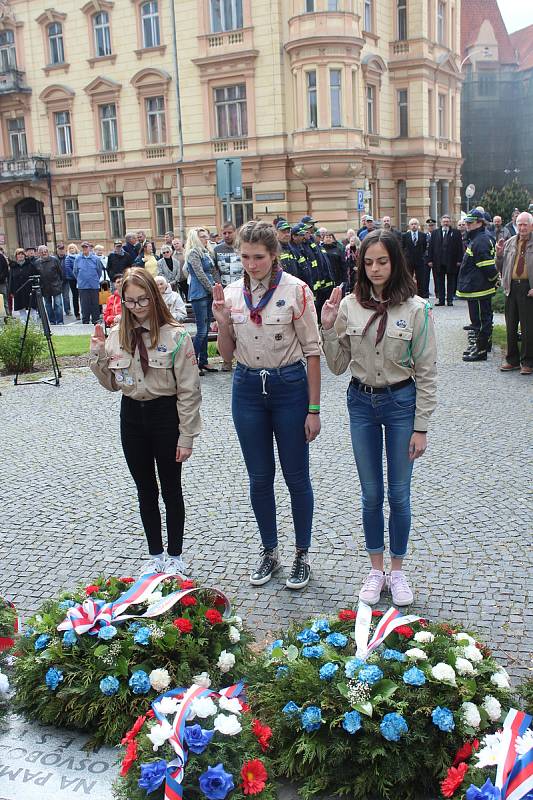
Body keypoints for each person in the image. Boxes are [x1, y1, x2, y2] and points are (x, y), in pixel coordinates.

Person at [321, 229, 437, 606]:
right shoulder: (350, 306)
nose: (375, 269)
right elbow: (338, 366)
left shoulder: (416, 309)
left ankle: (398, 572)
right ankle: (375, 570)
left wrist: (421, 427)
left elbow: (428, 371)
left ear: (395, 263)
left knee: (399, 494)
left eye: (382, 261)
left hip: (401, 402)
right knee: (371, 493)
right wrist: (327, 328)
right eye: (368, 262)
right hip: (361, 403)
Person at [212, 220, 322, 590]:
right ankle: (270, 551)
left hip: (288, 387)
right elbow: (226, 358)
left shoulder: (297, 291)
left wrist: (314, 409)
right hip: (246, 388)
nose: (251, 264)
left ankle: (302, 554)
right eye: (244, 256)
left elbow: (312, 353)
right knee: (259, 478)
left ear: (274, 255)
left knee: (295, 476)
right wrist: (223, 324)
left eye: (258, 257)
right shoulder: (230, 294)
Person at [90, 267, 201, 575]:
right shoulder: (116, 337)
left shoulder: (175, 336)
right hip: (132, 417)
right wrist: (98, 356)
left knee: (171, 488)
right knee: (145, 489)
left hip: (165, 415)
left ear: (154, 297)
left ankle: (176, 556)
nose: (136, 307)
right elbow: (112, 384)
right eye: (130, 301)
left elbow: (189, 390)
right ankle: (155, 555)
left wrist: (186, 435)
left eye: (142, 300)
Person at [456, 209, 498, 362]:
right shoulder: (477, 238)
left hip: (480, 288)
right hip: (476, 288)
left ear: (480, 223)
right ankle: (481, 346)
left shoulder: (480, 240)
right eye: (466, 222)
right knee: (479, 319)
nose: (466, 225)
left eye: (470, 223)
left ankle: (481, 350)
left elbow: (487, 266)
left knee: (481, 320)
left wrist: (495, 279)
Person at [496, 211, 533, 375]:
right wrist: (498, 254)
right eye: (520, 224)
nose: (522, 227)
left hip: (528, 289)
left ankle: (527, 362)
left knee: (528, 327)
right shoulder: (510, 242)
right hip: (511, 288)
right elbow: (500, 266)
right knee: (510, 326)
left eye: (525, 224)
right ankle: (512, 360)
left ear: (531, 226)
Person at [185, 227, 216, 376]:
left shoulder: (206, 252)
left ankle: (203, 361)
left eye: (206, 236)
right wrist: (213, 290)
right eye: (202, 237)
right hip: (199, 294)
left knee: (206, 329)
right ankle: (193, 363)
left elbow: (211, 272)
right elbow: (200, 274)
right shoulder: (193, 253)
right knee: (202, 331)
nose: (206, 239)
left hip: (208, 293)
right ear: (196, 239)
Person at [213, 222, 244, 372]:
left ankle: (243, 356)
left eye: (229, 232)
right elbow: (214, 269)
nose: (227, 235)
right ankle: (226, 360)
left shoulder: (241, 246)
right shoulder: (217, 249)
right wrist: (218, 284)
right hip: (225, 292)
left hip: (241, 292)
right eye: (224, 233)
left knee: (241, 323)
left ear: (235, 232)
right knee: (224, 324)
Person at [427, 215, 464, 306]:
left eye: (447, 221)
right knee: (440, 281)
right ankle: (441, 300)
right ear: (441, 222)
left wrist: (459, 260)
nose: (446, 223)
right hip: (438, 261)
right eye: (444, 221)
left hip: (451, 261)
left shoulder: (456, 233)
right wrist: (430, 260)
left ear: (450, 222)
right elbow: (431, 247)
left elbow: (460, 247)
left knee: (451, 281)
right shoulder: (435, 233)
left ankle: (450, 300)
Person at [74, 241, 103, 325]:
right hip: (82, 285)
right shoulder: (78, 258)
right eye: (83, 247)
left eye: (86, 247)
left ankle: (95, 320)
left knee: (95, 303)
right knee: (84, 304)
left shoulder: (95, 259)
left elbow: (99, 271)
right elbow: (75, 271)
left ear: (89, 248)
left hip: (94, 285)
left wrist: (94, 279)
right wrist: (80, 279)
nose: (85, 249)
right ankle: (85, 320)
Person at [35, 245, 64, 325]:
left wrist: (59, 283)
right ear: (39, 253)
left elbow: (60, 273)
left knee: (58, 304)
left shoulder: (54, 260)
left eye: (45, 251)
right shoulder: (37, 263)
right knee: (48, 305)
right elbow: (36, 275)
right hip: (44, 287)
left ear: (48, 252)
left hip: (56, 286)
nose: (44, 253)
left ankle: (60, 321)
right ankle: (52, 321)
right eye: (42, 252)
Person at [402, 219, 429, 298]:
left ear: (418, 225)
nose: (414, 226)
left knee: (421, 279)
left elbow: (424, 247)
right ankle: (408, 295)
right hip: (408, 261)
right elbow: (403, 247)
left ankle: (420, 296)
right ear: (409, 226)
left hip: (420, 261)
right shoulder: (405, 236)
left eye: (415, 224)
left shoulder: (423, 235)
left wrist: (422, 257)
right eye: (412, 224)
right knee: (408, 278)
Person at [8, 248, 34, 321]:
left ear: (24, 255)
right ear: (16, 256)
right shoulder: (13, 267)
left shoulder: (30, 265)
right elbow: (11, 280)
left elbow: (35, 276)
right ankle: (24, 327)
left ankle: (34, 327)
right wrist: (11, 291)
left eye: (22, 254)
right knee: (21, 310)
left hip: (29, 290)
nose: (20, 255)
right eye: (18, 254)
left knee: (32, 309)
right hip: (18, 291)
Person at [64, 244, 80, 319]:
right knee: (75, 296)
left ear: (76, 248)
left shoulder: (79, 256)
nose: (71, 249)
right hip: (72, 279)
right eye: (70, 248)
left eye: (73, 248)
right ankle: (77, 314)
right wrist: (76, 277)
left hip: (81, 279)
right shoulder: (68, 258)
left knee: (82, 297)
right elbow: (68, 269)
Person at [0, 248, 9, 316]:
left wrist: (1, 278)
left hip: (2, 283)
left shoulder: (1, 257)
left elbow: (5, 269)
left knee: (4, 300)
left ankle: (7, 317)